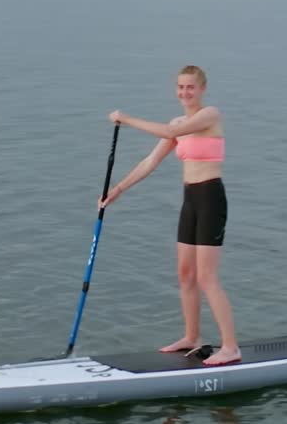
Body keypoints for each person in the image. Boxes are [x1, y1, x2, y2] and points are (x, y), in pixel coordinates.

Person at [99, 65, 240, 367]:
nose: (185, 92)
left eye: (191, 87)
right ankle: (192, 337)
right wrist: (118, 189)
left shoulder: (210, 115)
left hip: (211, 199)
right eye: (180, 87)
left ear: (202, 89)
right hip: (190, 201)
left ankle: (230, 347)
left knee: (207, 277)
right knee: (185, 274)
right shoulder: (177, 122)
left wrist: (126, 119)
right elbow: (150, 161)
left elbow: (171, 132)